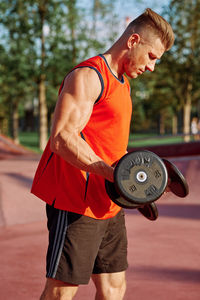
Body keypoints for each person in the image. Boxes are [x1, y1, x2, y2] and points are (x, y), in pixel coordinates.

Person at [31, 8, 174, 300]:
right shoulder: (88, 76)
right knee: (60, 293)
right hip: (76, 203)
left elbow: (107, 142)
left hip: (109, 203)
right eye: (152, 57)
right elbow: (62, 139)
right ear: (133, 40)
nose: (152, 68)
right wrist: (116, 176)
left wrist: (131, 179)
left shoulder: (124, 83)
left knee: (113, 289)